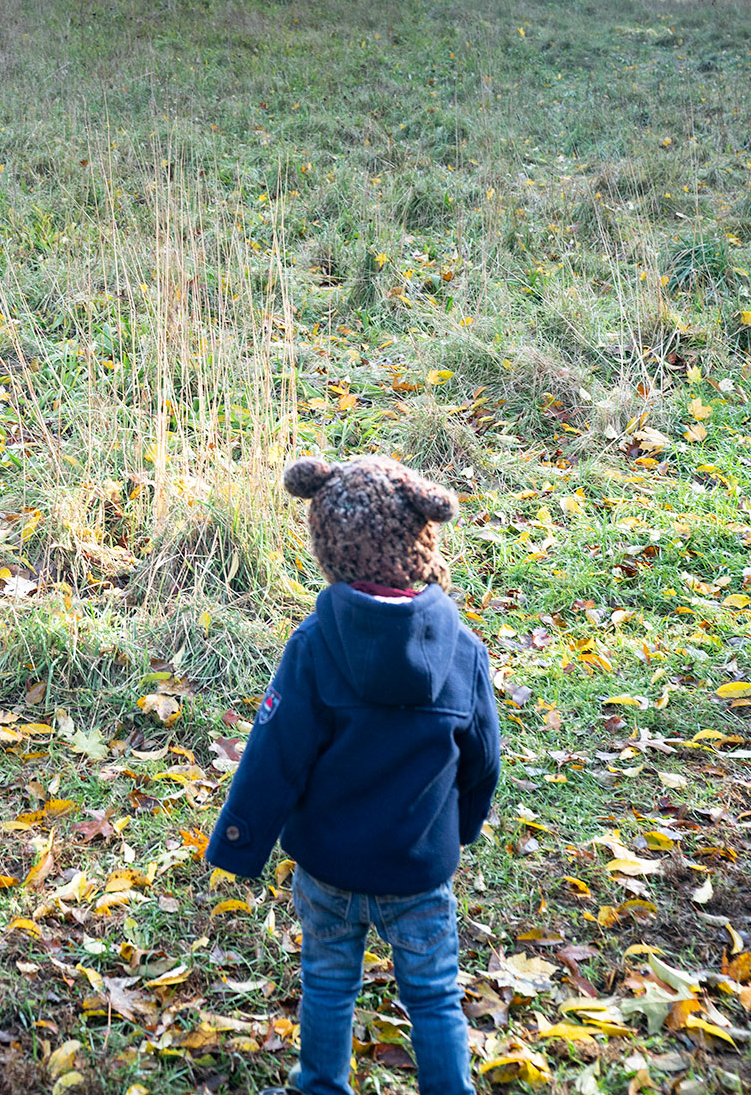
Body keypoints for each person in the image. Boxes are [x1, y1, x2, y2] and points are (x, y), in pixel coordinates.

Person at [206, 454, 500, 1095]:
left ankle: (320, 1086)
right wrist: (460, 830)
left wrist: (241, 840)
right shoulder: (464, 651)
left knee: (330, 984)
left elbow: (275, 753)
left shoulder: (314, 646)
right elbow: (482, 758)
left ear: (329, 548)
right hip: (419, 870)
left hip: (330, 869)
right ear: (422, 540)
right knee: (433, 995)